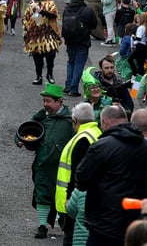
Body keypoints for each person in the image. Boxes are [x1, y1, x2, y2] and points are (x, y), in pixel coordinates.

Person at [76, 105, 147, 246]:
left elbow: (81, 180)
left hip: (104, 225)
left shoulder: (101, 146)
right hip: (136, 225)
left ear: (104, 122)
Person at [16, 83, 73, 239]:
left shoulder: (70, 120)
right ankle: (42, 226)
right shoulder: (41, 116)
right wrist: (20, 140)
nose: (45, 104)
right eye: (44, 101)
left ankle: (64, 223)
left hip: (61, 168)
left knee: (60, 196)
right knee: (42, 194)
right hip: (41, 163)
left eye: (48, 101)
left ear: (59, 102)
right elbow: (25, 129)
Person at [55, 102, 102, 246]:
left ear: (74, 121)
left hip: (74, 205)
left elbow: (78, 175)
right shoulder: (97, 133)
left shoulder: (82, 139)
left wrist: (70, 203)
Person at [23, 0, 62, 85]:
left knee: (50, 55)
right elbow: (26, 19)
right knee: (37, 57)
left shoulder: (50, 3)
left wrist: (42, 12)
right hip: (36, 35)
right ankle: (38, 76)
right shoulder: (32, 4)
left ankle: (50, 74)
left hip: (47, 34)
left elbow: (54, 15)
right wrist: (26, 29)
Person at [62, 0, 98, 97]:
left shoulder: (67, 8)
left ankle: (68, 85)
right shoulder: (86, 10)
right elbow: (94, 25)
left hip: (70, 39)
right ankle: (73, 88)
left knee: (71, 62)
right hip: (82, 40)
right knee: (79, 63)